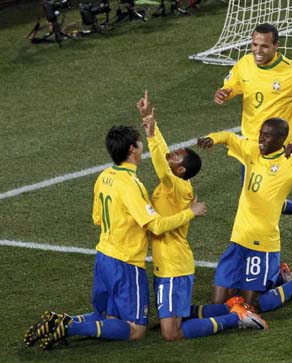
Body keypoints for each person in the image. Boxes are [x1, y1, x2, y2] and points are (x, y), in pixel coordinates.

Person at [24, 124, 207, 350]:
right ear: (132, 149)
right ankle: (70, 327)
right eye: (140, 142)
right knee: (136, 330)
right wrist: (191, 212)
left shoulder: (104, 176)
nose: (142, 146)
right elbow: (156, 226)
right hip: (126, 264)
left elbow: (97, 219)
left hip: (104, 256)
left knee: (108, 317)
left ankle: (59, 320)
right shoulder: (131, 185)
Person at [136, 91, 268, 341]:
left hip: (173, 267)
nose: (171, 154)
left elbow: (160, 164)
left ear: (181, 169)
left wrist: (151, 135)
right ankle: (233, 307)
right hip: (174, 264)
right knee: (175, 319)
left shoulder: (174, 185)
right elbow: (164, 156)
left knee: (171, 334)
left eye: (177, 156)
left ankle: (236, 317)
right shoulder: (178, 182)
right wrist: (151, 124)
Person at [197, 117, 292, 311]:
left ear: (282, 139)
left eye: (267, 136)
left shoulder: (291, 163)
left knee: (251, 305)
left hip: (262, 245)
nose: (261, 139)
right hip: (238, 239)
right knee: (219, 303)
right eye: (261, 134)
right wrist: (212, 138)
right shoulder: (252, 150)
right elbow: (229, 138)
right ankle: (277, 276)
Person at [214, 23, 292, 240]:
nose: (258, 51)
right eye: (254, 45)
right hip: (250, 145)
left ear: (276, 46)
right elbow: (233, 85)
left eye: (265, 46)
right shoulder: (245, 64)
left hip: (276, 150)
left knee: (257, 204)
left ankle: (268, 259)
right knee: (257, 201)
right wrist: (225, 93)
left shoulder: (291, 73)